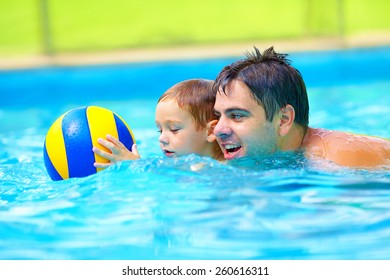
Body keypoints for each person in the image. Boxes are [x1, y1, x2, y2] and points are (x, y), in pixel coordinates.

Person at [212, 46, 390, 168]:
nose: (219, 129)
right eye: (218, 116)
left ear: (283, 120)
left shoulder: (336, 161)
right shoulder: (265, 153)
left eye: (236, 115)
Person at [93, 79, 224, 168]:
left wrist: (134, 167)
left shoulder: (213, 170)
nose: (162, 138)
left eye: (174, 129)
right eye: (160, 130)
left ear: (211, 131)